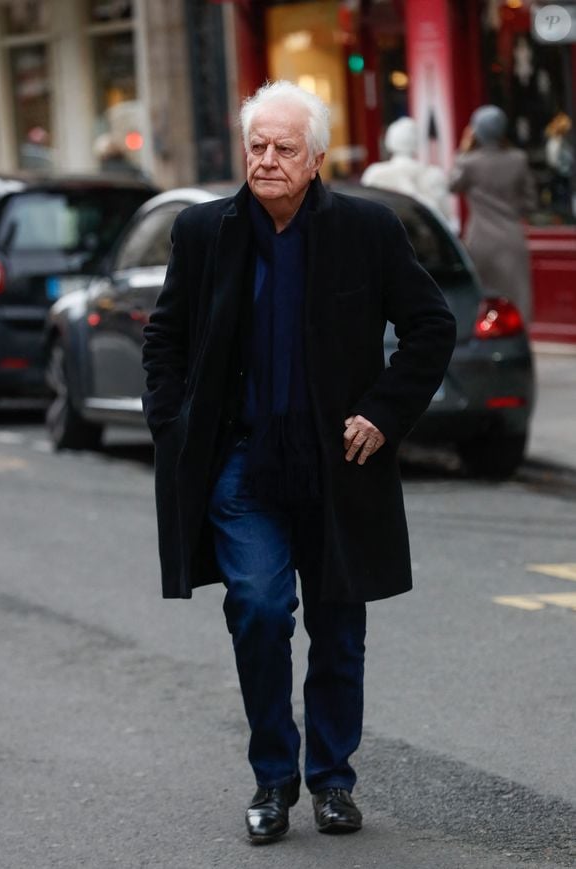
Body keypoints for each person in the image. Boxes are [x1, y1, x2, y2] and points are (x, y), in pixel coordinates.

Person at [142, 80, 456, 844]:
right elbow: (165, 339)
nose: (269, 160)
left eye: (286, 148)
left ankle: (333, 780)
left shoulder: (366, 231)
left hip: (338, 461)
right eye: (257, 146)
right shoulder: (203, 231)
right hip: (242, 463)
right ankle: (273, 776)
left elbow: (430, 326)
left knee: (339, 625)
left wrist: (383, 413)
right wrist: (174, 426)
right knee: (256, 606)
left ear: (316, 159)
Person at [449, 105, 537, 323]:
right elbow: (530, 202)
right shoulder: (518, 159)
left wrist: (463, 148)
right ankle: (518, 344)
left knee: (483, 298)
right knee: (516, 297)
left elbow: (452, 185)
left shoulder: (468, 162)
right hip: (512, 238)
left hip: (480, 240)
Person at [361, 116, 456, 230]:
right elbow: (445, 219)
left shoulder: (374, 173)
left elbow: (363, 216)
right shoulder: (434, 175)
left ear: (389, 142)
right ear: (417, 142)